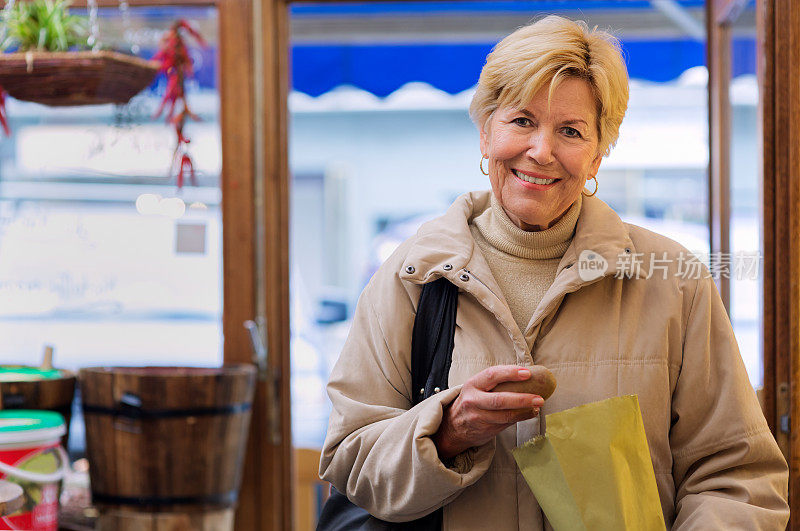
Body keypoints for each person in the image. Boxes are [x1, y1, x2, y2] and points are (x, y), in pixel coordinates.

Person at [319, 15, 789, 529]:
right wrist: (446, 433)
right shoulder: (410, 276)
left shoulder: (676, 281)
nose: (541, 151)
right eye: (522, 120)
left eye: (570, 131)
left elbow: (736, 477)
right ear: (485, 131)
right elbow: (350, 462)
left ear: (596, 155)